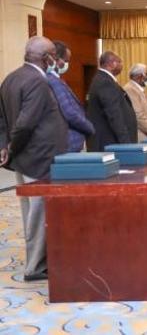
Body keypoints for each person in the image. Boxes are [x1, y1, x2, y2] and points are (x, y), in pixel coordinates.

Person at [0, 36, 68, 281]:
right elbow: (25, 123)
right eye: (54, 56)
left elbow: (2, 119)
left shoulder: (11, 77)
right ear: (46, 57)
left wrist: (5, 146)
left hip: (25, 157)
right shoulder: (37, 81)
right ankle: (36, 267)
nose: (57, 61)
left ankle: (35, 260)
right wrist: (11, 147)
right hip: (39, 157)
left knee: (31, 212)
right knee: (39, 213)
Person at [47, 41, 95, 152]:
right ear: (56, 59)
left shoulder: (57, 79)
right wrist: (89, 127)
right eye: (66, 61)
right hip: (69, 141)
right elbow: (69, 112)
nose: (67, 65)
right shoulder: (53, 81)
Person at [87, 51, 138, 151]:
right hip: (108, 141)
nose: (122, 65)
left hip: (111, 140)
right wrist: (126, 143)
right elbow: (114, 114)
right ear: (111, 64)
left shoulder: (105, 79)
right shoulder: (105, 81)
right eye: (119, 62)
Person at [123, 63, 147, 141]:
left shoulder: (140, 90)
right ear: (139, 76)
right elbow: (139, 116)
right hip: (141, 135)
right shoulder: (130, 89)